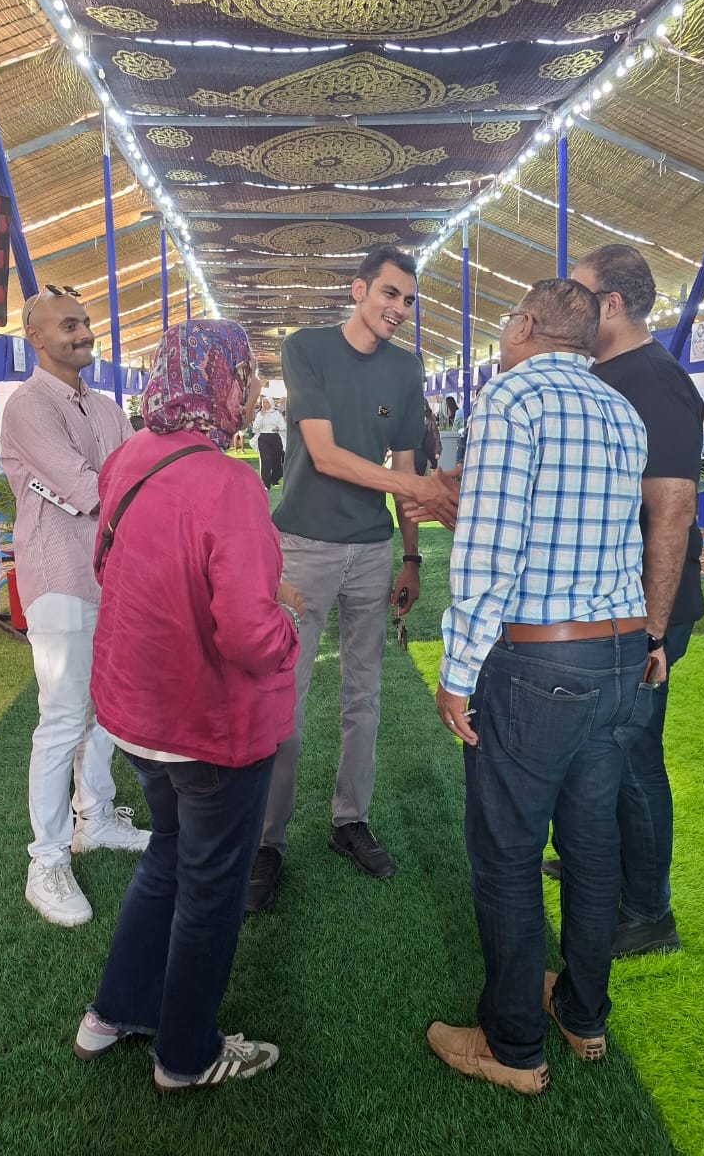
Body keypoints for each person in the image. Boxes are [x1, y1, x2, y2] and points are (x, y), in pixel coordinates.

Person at [427, 279, 649, 1094]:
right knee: (591, 848)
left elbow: (491, 554)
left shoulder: (512, 399)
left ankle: (514, 1045)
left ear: (523, 324)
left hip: (538, 664)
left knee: (508, 854)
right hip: (619, 654)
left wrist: (456, 673)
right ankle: (583, 1014)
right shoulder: (620, 409)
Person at [73, 320, 300, 1092]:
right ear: (221, 381)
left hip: (138, 714)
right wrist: (288, 622)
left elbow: (120, 566)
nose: (251, 392)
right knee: (210, 889)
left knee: (170, 855)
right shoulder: (229, 483)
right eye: (245, 376)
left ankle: (114, 1012)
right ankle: (185, 1056)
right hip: (208, 726)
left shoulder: (132, 455)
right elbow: (249, 635)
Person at [245, 245, 460, 913]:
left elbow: (404, 460)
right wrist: (422, 489)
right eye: (390, 293)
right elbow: (327, 455)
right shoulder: (306, 348)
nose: (400, 308)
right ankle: (267, 840)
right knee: (285, 698)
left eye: (409, 300)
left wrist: (412, 556)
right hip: (303, 546)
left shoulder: (406, 367)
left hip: (372, 550)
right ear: (359, 289)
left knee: (363, 695)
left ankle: (350, 821)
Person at [561, 243, 704, 958]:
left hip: (645, 611)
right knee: (603, 749)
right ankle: (607, 868)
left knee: (634, 752)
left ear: (611, 305)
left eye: (579, 294)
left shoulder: (655, 381)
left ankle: (649, 913)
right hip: (608, 604)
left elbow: (672, 511)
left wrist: (652, 631)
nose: (568, 306)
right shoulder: (604, 373)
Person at [0, 286, 149, 928]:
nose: (84, 332)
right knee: (62, 717)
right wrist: (157, 501)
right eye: (69, 325)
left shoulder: (107, 406)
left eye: (86, 322)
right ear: (35, 338)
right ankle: (47, 859)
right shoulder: (27, 405)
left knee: (105, 709)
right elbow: (89, 487)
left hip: (110, 576)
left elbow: (136, 468)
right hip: (58, 575)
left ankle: (97, 819)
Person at [252, 394, 287, 489]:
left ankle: (275, 479)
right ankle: (266, 483)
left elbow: (283, 426)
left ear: (271, 403)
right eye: (263, 402)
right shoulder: (260, 414)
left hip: (275, 437)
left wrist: (278, 428)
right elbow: (255, 427)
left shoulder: (276, 414)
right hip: (263, 438)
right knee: (266, 460)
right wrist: (261, 416)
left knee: (276, 460)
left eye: (267, 402)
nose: (265, 404)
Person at [413, 403, 441, 476]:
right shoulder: (428, 423)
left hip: (418, 457)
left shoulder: (428, 422)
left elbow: (435, 437)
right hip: (421, 458)